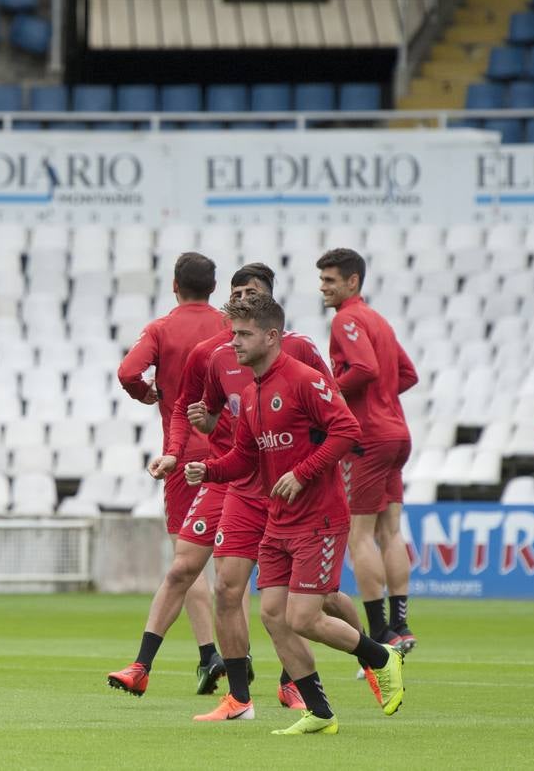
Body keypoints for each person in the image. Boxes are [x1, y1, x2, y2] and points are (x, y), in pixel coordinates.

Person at [185, 293, 404, 735]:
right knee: (272, 615)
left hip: (318, 517)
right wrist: (206, 468)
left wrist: (302, 473)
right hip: (278, 520)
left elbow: (347, 429)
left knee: (303, 617)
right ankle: (321, 714)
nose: (234, 343)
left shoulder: (304, 379)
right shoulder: (249, 394)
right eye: (232, 334)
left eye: (244, 335)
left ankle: (383, 656)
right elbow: (244, 458)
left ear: (271, 335)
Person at [110, 252, 228, 696]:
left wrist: (146, 394)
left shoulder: (161, 329)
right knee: (229, 567)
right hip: (234, 453)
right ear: (214, 289)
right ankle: (217, 657)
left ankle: (206, 653)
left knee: (186, 562)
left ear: (174, 286)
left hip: (184, 459)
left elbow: (127, 371)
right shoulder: (227, 327)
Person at [317, 248, 418, 654]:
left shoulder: (347, 319)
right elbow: (406, 373)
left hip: (367, 438)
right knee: (390, 531)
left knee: (359, 536)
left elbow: (364, 370)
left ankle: (380, 632)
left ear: (352, 282)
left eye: (329, 280)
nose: (322, 287)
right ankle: (400, 623)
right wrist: (380, 397)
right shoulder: (379, 320)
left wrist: (325, 394)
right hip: (397, 433)